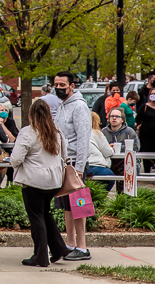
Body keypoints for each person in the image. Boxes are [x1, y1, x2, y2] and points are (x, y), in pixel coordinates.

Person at [11, 99, 72, 268]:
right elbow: (64, 156)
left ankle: (41, 256)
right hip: (53, 181)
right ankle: (59, 249)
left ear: (31, 114)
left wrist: (15, 164)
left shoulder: (28, 132)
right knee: (45, 214)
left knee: (37, 217)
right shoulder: (57, 132)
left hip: (33, 181)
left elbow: (16, 159)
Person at [53, 71, 92, 261]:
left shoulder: (79, 107)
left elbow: (84, 138)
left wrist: (79, 167)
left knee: (79, 207)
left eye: (62, 85)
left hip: (75, 165)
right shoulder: (62, 106)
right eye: (56, 85)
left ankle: (83, 247)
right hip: (63, 165)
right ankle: (70, 244)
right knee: (67, 207)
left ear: (72, 86)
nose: (59, 88)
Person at [102, 107, 140, 193]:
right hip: (109, 162)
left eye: (117, 116)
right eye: (112, 116)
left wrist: (120, 148)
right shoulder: (103, 132)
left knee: (126, 175)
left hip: (126, 163)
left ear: (122, 119)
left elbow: (136, 147)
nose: (114, 118)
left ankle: (123, 199)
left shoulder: (129, 132)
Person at [86, 112, 116, 190]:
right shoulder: (96, 133)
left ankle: (91, 199)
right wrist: (111, 148)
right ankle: (99, 200)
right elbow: (108, 152)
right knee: (110, 179)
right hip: (96, 167)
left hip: (81, 168)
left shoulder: (77, 133)